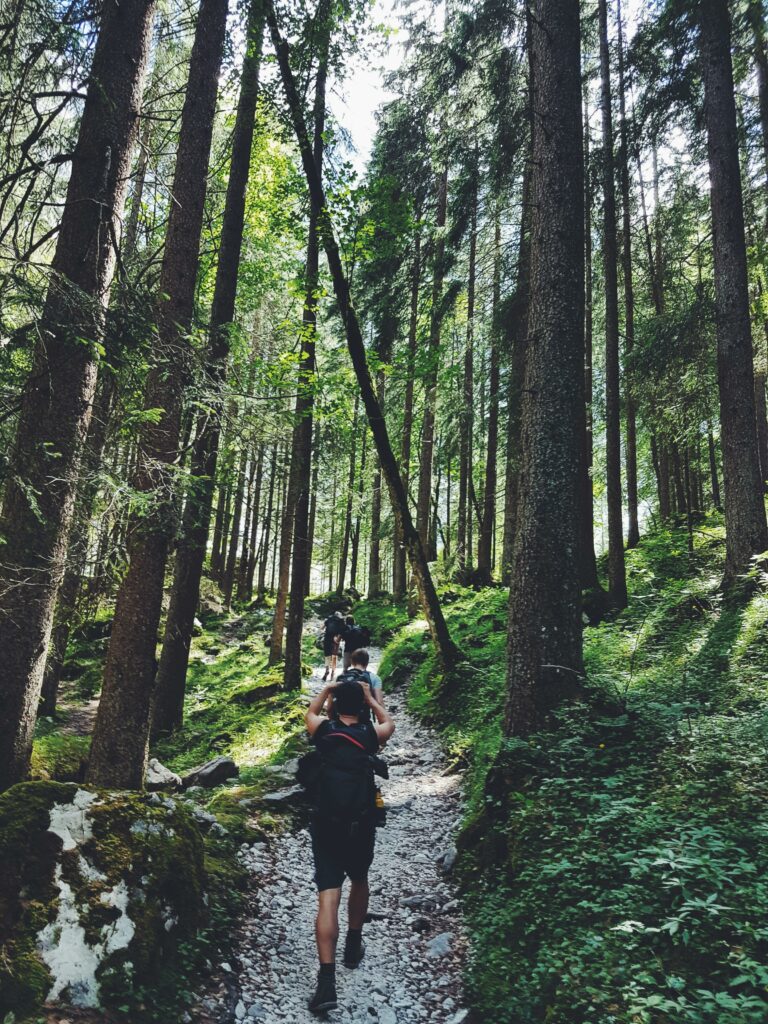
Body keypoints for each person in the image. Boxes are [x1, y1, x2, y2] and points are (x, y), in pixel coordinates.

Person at [304, 678, 395, 1014]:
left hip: (326, 825)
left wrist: (327, 691)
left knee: (328, 896)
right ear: (361, 707)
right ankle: (353, 946)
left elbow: (309, 712)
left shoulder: (323, 732)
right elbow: (390, 723)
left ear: (336, 705)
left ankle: (326, 982)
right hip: (360, 825)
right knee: (359, 878)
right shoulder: (371, 736)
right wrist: (372, 700)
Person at [321, 610, 345, 682]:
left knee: (327, 656)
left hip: (327, 638)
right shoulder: (341, 620)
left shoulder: (329, 619)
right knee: (334, 656)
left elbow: (322, 628)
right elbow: (343, 631)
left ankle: (327, 670)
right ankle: (332, 673)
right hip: (336, 639)